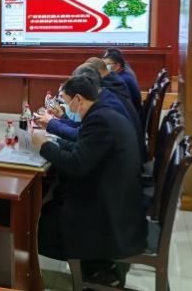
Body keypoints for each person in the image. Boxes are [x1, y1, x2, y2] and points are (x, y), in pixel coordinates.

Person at [33, 75, 147, 287]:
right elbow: (83, 147)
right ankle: (95, 267)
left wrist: (44, 146)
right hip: (115, 200)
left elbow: (76, 164)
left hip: (109, 217)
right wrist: (55, 142)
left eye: (66, 101)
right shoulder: (104, 112)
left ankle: (94, 268)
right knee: (51, 205)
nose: (65, 107)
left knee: (36, 229)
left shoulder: (99, 120)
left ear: (78, 99)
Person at [38, 65, 146, 161]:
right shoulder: (103, 99)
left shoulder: (103, 113)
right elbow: (83, 133)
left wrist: (44, 144)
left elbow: (77, 160)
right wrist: (54, 139)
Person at [102, 51, 143, 117]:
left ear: (117, 66)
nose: (105, 67)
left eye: (107, 64)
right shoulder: (124, 75)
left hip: (130, 115)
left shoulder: (121, 80)